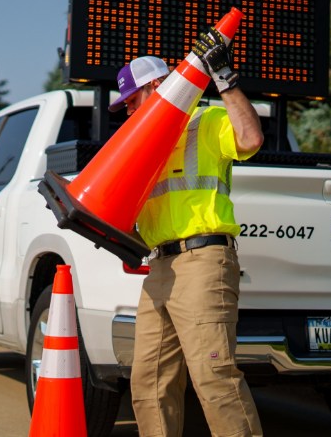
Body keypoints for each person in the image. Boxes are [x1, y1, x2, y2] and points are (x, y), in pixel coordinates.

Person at [108, 30, 265, 437]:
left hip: (202, 262)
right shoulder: (140, 144)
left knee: (214, 376)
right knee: (148, 383)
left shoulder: (207, 121)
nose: (127, 111)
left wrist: (224, 78)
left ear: (158, 87)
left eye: (131, 100)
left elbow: (250, 139)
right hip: (159, 268)